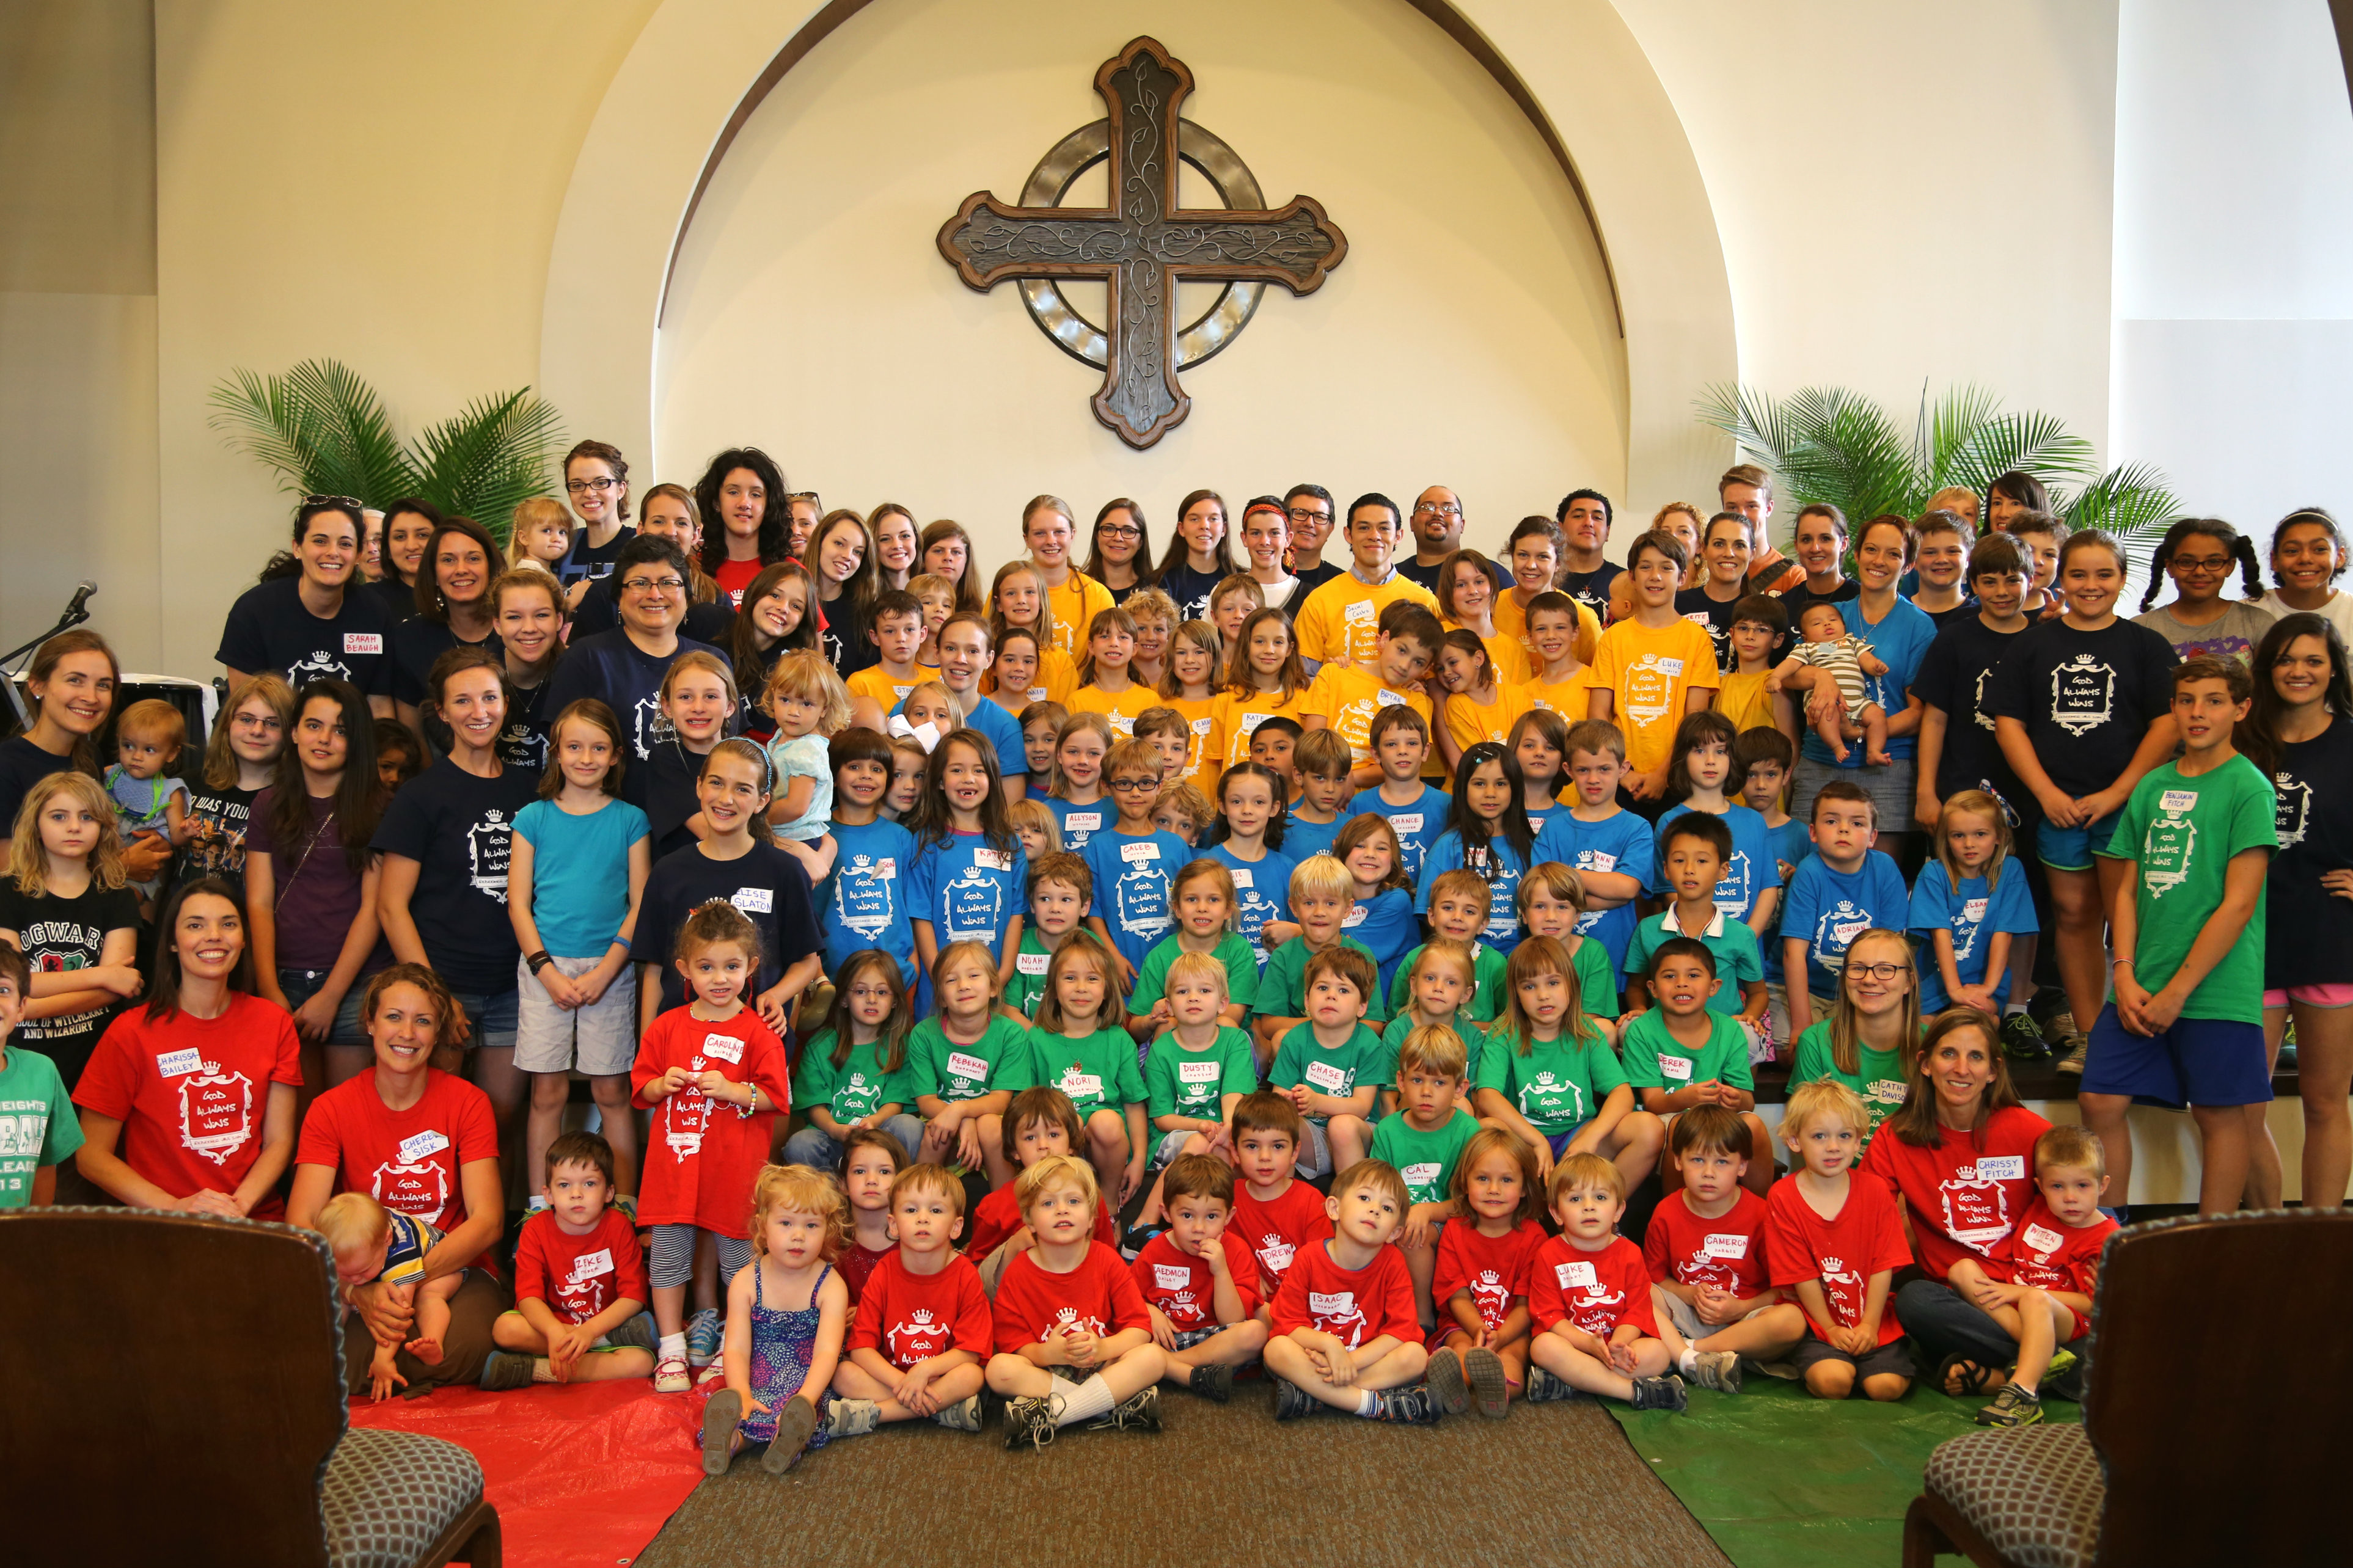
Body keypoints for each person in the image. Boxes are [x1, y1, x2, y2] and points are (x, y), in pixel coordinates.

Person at [2076, 655, 2275, 1216]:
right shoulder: (2152, 786)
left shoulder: (2248, 788)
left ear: (2240, 709)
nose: (2197, 712)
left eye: (2214, 701)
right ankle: (2104, 1240)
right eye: (2186, 700)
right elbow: (2124, 890)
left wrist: (2178, 992)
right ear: (2172, 707)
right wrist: (2123, 969)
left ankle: (2209, 1245)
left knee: (2217, 1112)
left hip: (2213, 987)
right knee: (2099, 1098)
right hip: (2140, 980)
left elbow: (2237, 905)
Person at [1990, 530, 2183, 1069]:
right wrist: (2046, 793)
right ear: (2060, 577)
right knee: (2074, 914)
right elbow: (2009, 724)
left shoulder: (2144, 645)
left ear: (2122, 579)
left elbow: (2166, 725)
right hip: (2058, 806)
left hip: (2126, 805)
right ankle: (2093, 1037)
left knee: (2129, 919)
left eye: (2104, 574)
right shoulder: (2031, 644)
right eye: (2078, 574)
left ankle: (2136, 1031)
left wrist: (2118, 793)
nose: (2090, 585)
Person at [288, 964, 508, 1393]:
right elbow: (302, 1221)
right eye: (394, 1017)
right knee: (316, 1349)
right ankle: (395, 1370)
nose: (407, 1033)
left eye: (422, 1020)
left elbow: (488, 1222)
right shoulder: (330, 1109)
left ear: (438, 1031)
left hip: (449, 1271)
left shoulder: (468, 1102)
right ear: (370, 1022)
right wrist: (358, 1292)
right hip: (358, 1274)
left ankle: (393, 1370)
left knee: (474, 1342)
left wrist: (404, 1277)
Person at [371, 647, 537, 1158]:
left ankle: (489, 1231)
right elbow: (391, 906)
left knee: (500, 1117)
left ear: (505, 704)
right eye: (462, 700)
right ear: (442, 712)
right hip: (442, 979)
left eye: (489, 697)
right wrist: (434, 995)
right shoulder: (421, 795)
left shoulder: (532, 792)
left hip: (512, 983)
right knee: (435, 1117)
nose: (478, 711)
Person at [634, 898, 791, 1395]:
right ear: (684, 969)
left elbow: (776, 1098)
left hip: (734, 1173)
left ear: (751, 967)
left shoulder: (759, 1033)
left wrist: (733, 1090)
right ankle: (671, 1350)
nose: (719, 978)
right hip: (674, 1173)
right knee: (667, 1259)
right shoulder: (666, 1026)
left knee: (739, 1264)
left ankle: (733, 1348)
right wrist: (664, 1083)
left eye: (731, 966)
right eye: (706, 967)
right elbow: (641, 1088)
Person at [70, 877, 301, 1214]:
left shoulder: (274, 1023)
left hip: (252, 1219)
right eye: (196, 925)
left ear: (243, 940)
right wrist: (176, 1208)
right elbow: (90, 1155)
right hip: (163, 1222)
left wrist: (237, 1207)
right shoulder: (131, 1031)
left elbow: (279, 1142)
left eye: (228, 924)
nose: (214, 935)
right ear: (173, 943)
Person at [509, 699, 649, 1197]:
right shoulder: (533, 817)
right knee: (546, 1091)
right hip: (543, 968)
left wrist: (604, 971)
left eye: (597, 748)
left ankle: (626, 1204)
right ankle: (539, 1205)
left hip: (608, 969)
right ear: (556, 753)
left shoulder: (631, 819)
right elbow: (519, 904)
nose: (585, 757)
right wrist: (546, 971)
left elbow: (638, 903)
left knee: (611, 1090)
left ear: (615, 756)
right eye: (574, 746)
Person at [1870, 1012, 2052, 1377]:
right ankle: (2045, 1362)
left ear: (1993, 1072)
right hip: (1957, 1300)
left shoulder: (2030, 1130)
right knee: (1915, 1302)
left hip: (2033, 1289)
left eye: (1976, 1057)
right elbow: (1866, 1221)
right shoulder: (1894, 1137)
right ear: (1925, 1064)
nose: (1961, 1069)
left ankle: (2000, 1371)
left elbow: (2078, 1195)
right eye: (1949, 1054)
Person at [2247, 614, 2353, 1211]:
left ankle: (2320, 1235)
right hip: (2249, 935)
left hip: (2327, 936)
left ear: (2331, 668)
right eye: (2286, 659)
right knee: (2240, 1101)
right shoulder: (2240, 741)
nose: (2298, 671)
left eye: (2312, 660)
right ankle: (2268, 1232)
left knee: (2323, 1099)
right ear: (2267, 668)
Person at [634, 738, 823, 1041]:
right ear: (699, 787)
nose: (726, 798)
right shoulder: (667, 872)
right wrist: (648, 1050)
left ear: (762, 801)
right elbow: (655, 970)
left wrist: (776, 995)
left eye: (743, 789)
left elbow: (807, 960)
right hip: (680, 1048)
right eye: (717, 783)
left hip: (757, 1046)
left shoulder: (784, 871)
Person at [1939, 1124, 2117, 1428]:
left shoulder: (2106, 1238)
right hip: (2019, 1307)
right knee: (1961, 1271)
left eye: (2083, 1186)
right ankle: (2045, 1356)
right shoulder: (2038, 1208)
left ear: (2103, 1185)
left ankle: (2022, 1392)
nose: (2070, 1197)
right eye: (2057, 1187)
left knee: (2037, 1301)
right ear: (2041, 1186)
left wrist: (2019, 1293)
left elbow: (2096, 1306)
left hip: (2067, 1319)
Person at [987, 1152, 1166, 1448]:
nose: (1062, 1210)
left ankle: (1055, 1413)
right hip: (1048, 1372)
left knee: (1153, 1357)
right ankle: (1109, 1407)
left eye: (1073, 1201)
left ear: (1092, 1217)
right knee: (998, 1370)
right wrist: (1049, 1354)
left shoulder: (1107, 1259)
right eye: (1048, 1203)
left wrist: (1104, 1347)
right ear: (1029, 1221)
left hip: (1104, 1366)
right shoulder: (1018, 1272)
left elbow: (1139, 1329)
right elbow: (1014, 1345)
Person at [699, 1164, 854, 1470]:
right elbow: (737, 1348)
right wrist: (742, 1391)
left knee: (804, 1417)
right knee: (744, 1411)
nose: (798, 1236)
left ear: (827, 1230)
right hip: (756, 1374)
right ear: (762, 1226)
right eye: (786, 1223)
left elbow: (826, 1353)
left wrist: (806, 1398)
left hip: (809, 1378)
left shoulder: (831, 1285)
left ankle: (788, 1441)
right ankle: (731, 1443)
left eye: (811, 1226)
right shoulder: (746, 1281)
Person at [1475, 937, 1661, 1189]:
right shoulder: (1503, 1032)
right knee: (1486, 1128)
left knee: (1648, 1128)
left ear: (1571, 986)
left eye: (1553, 983)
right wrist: (1537, 1141)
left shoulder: (1585, 1030)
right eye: (1529, 987)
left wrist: (1591, 1139)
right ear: (1515, 994)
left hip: (1578, 1134)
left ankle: (1603, 1208)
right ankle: (1526, 1215)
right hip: (1522, 1138)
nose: (1543, 996)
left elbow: (1622, 1094)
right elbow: (1487, 1096)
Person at [1767, 1081, 1914, 1401]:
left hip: (1872, 1317)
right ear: (1794, 1140)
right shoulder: (1783, 1196)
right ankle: (1830, 1361)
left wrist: (1870, 1326)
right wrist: (1830, 1329)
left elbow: (1882, 1265)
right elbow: (1801, 1275)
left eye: (1844, 1136)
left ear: (1859, 1140)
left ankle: (1878, 1364)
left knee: (1885, 1389)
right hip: (1817, 1321)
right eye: (1819, 1136)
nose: (1833, 1147)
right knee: (1833, 1383)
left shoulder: (1875, 1191)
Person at [1262, 1157, 1436, 1423]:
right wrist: (1329, 1345)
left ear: (1394, 1232)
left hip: (1364, 1362)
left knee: (1416, 1356)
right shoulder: (1309, 1257)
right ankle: (1371, 1404)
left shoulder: (1393, 1262)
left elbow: (1400, 1331)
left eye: (1387, 1207)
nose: (1375, 1210)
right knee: (1276, 1349)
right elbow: (1286, 1323)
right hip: (1315, 1358)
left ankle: (1314, 1396)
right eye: (1365, 1198)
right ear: (1334, 1208)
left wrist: (1351, 1362)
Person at [480, 1129, 656, 1390]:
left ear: (609, 1193)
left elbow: (633, 1297)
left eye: (589, 1184)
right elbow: (529, 1297)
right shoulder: (536, 1229)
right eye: (564, 1185)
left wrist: (589, 1332)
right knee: (505, 1328)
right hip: (552, 1327)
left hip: (601, 1325)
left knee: (641, 1363)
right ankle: (600, 1343)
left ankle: (530, 1370)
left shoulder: (618, 1226)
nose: (576, 1194)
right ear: (548, 1195)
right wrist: (554, 1332)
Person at [1642, 1105, 1804, 1385]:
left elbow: (1784, 1288)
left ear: (1742, 1166)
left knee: (1792, 1321)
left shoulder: (1760, 1214)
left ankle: (1688, 1354)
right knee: (1639, 1292)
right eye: (1697, 1160)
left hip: (1745, 1320)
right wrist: (1688, 1293)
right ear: (1678, 1161)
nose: (1708, 1173)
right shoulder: (1666, 1212)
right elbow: (1655, 1278)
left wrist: (1742, 1308)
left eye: (1722, 1162)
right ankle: (1698, 1358)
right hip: (1687, 1315)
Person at [0, 772, 142, 1092]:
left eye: (87, 817)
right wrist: (101, 975)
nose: (74, 827)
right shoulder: (7, 892)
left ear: (104, 826)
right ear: (36, 825)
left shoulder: (117, 897)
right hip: (18, 1061)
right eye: (59, 816)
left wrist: (30, 1007)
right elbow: (10, 983)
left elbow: (117, 988)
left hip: (94, 1060)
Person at [829, 1161, 992, 1432]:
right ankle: (942, 1410)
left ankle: (876, 1414)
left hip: (940, 1375)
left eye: (936, 1210)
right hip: (891, 1376)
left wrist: (924, 1371)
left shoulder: (966, 1274)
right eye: (911, 1209)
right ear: (893, 1225)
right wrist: (901, 1382)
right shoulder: (884, 1272)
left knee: (972, 1376)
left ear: (956, 1227)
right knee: (843, 1374)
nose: (923, 1218)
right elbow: (861, 1349)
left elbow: (969, 1353)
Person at [1524, 1153, 1685, 1410]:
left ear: (1619, 1210)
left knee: (1659, 1352)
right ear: (1556, 1214)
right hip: (1574, 1345)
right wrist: (1587, 1343)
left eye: (1600, 1197)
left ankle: (1574, 1381)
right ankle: (1631, 1392)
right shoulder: (1548, 1253)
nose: (1589, 1206)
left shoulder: (1631, 1252)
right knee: (1543, 1347)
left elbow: (1637, 1311)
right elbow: (1550, 1317)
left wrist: (1619, 1344)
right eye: (1576, 1199)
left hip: (1619, 1345)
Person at [0, 633, 161, 886]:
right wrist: (119, 866)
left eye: (103, 685)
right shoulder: (6, 765)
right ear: (37, 685)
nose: (91, 697)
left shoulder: (90, 757)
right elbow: (11, 874)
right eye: (75, 680)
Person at [216, 497, 395, 715]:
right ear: (297, 548)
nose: (333, 552)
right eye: (320, 541)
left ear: (358, 555)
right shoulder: (254, 610)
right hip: (269, 740)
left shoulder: (374, 613)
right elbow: (245, 714)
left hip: (349, 743)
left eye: (345, 544)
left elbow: (379, 708)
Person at [1618, 939, 1767, 1194]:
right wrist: (1686, 1098)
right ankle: (1676, 1216)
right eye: (1670, 976)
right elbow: (1653, 1103)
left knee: (1752, 1124)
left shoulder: (1730, 1031)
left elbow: (1748, 1102)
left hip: (1716, 1120)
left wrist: (1734, 1099)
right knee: (1682, 1125)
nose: (1682, 983)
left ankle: (1762, 1215)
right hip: (1665, 1122)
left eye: (1693, 975)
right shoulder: (1641, 1031)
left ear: (1713, 987)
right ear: (1653, 989)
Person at [1587, 531, 1719, 806]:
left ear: (1682, 577)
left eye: (1666, 568)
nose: (1655, 576)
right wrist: (1623, 772)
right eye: (1645, 567)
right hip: (1619, 777)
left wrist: (1664, 774)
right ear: (1632, 577)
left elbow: (1695, 719)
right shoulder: (1614, 637)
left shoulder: (1696, 639)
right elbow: (1598, 713)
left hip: (1679, 778)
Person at [1129, 1152, 1269, 1402]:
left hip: (1216, 1341)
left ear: (1229, 1216)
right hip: (1167, 1337)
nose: (1199, 1228)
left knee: (1257, 1332)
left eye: (1212, 1217)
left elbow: (1234, 1320)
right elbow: (1126, 1296)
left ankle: (1165, 1367)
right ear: (1167, 1214)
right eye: (1187, 1216)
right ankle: (1180, 1370)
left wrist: (1221, 1270)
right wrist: (1150, 1311)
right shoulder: (1154, 1250)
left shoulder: (1236, 1251)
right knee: (1127, 1335)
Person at [1422, 1127, 1542, 1416]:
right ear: (1465, 1183)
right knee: (1461, 1349)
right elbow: (1458, 1297)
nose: (1494, 1189)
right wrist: (1479, 1329)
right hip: (1464, 1325)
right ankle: (1454, 1387)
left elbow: (1527, 1306)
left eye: (1507, 1180)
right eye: (1483, 1179)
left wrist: (1499, 1337)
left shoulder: (1535, 1237)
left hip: (1512, 1328)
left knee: (1511, 1358)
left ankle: (1498, 1392)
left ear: (1525, 1187)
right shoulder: (1455, 1230)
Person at [1025, 932, 1148, 1208]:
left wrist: (1140, 1158)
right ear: (1054, 988)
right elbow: (1026, 1107)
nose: (1081, 987)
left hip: (1107, 1147)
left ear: (1106, 988)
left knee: (1106, 1122)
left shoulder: (1118, 1039)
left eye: (1092, 979)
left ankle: (1109, 1207)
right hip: (1054, 1146)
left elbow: (1134, 1104)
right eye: (1070, 978)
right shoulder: (1037, 1039)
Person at [1366, 1024, 1480, 1320]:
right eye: (1418, 1080)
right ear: (1401, 1082)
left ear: (1460, 1089)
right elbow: (1380, 1191)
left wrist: (1427, 1212)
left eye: (1440, 1083)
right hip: (1398, 1217)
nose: (1427, 1092)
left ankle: (1423, 1320)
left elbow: (1471, 1201)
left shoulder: (1468, 1131)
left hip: (1453, 1220)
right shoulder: (1389, 1130)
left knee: (1413, 1235)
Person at [1780, 783, 1911, 1038]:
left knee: (1866, 1044)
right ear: (1813, 832)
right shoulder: (1809, 872)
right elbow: (1792, 953)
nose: (1843, 829)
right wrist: (1801, 1026)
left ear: (1873, 837)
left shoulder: (1884, 869)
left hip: (1864, 990)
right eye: (1831, 821)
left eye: (1857, 823)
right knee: (1796, 1049)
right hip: (1809, 990)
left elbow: (1892, 951)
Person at [315, 1189, 468, 1399]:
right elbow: (337, 1293)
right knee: (339, 1298)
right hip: (386, 1262)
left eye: (363, 1271)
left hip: (441, 1269)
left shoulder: (401, 1254)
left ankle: (435, 1344)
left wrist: (383, 1360)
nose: (357, 1281)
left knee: (429, 1297)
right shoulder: (352, 1246)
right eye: (345, 1273)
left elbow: (398, 1314)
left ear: (387, 1240)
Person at [1531, 720, 1655, 982]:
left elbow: (1627, 889)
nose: (1594, 779)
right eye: (1584, 769)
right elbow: (1543, 896)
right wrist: (1614, 897)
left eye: (1605, 769)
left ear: (1623, 769)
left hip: (1617, 964)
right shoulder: (1553, 829)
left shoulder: (1638, 828)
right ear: (1569, 770)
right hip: (1556, 968)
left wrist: (1564, 876)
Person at [788, 949, 923, 1169]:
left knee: (910, 1126)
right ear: (843, 999)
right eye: (861, 992)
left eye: (882, 993)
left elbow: (895, 1103)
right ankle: (826, 1200)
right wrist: (835, 1129)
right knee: (801, 1144)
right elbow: (815, 1107)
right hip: (832, 1136)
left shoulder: (902, 1045)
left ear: (896, 1001)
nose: (871, 1000)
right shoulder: (820, 1045)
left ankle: (897, 1195)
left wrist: (875, 1122)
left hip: (881, 1139)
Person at [1910, 790, 2037, 1019]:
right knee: (1926, 1033)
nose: (1969, 844)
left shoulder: (2010, 871)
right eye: (1958, 836)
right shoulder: (1934, 874)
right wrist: (1955, 991)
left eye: (1980, 834)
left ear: (1999, 836)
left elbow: (2004, 935)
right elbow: (1941, 935)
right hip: (1937, 983)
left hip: (1986, 983)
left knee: (1975, 1024)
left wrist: (1987, 989)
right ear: (1946, 839)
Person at [1787, 928, 1920, 1141]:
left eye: (1885, 970)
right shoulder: (1816, 1043)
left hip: (1908, 1169)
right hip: (1842, 1172)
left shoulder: (1934, 1044)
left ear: (1909, 982)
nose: (1869, 979)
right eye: (1858, 968)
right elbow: (1810, 1138)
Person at [1292, 493, 1443, 673]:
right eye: (1364, 528)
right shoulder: (1319, 600)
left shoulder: (1426, 602)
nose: (1374, 536)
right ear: (1348, 535)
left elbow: (1438, 672)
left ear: (1399, 536)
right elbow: (1303, 677)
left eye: (1384, 528)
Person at [1418, 742, 1537, 958]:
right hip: (1460, 962)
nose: (1490, 793)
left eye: (1501, 784)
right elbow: (1428, 916)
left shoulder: (1531, 846)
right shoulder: (1448, 846)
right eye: (1479, 783)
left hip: (1521, 963)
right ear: (1463, 788)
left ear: (1516, 789)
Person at [389, 514, 502, 738]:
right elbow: (413, 735)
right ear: (434, 574)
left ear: (491, 566)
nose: (461, 569)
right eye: (448, 560)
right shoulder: (409, 639)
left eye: (473, 559)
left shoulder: (517, 630)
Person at [0, 945, 79, 1206]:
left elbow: (44, 1167)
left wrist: (36, 1238)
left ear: (21, 1007)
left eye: (3, 990)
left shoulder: (41, 1071)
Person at [1774, 600, 1892, 766]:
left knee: (1878, 716)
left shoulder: (1851, 641)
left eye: (1833, 620)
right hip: (1825, 701)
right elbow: (1791, 665)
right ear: (1805, 637)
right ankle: (1837, 746)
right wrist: (1775, 677)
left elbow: (1865, 659)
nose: (1827, 624)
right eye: (1817, 623)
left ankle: (1874, 751)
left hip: (1857, 701)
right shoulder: (1808, 648)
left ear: (1844, 626)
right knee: (1826, 716)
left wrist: (1875, 666)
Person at [102, 699, 190, 914]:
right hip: (103, 857)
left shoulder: (171, 791)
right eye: (128, 746)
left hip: (141, 870)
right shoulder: (109, 774)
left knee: (123, 907)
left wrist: (187, 831)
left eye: (149, 750)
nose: (137, 756)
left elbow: (176, 837)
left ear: (171, 754)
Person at [692, 447, 791, 609]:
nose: (744, 503)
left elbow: (813, 634)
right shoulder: (694, 571)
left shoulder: (790, 572)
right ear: (716, 502)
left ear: (769, 505)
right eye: (733, 492)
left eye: (756, 495)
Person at [2249, 507, 2353, 646]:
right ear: (2275, 560)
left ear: (2339, 557)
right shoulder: (2248, 613)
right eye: (2292, 551)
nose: (2305, 559)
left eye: (2320, 549)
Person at [553, 439, 637, 601]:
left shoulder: (642, 547)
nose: (589, 493)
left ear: (621, 489)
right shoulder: (561, 548)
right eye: (577, 485)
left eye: (600, 483)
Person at [1677, 512, 1755, 671]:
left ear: (1752, 553)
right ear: (1704, 549)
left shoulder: (1763, 612)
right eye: (1719, 544)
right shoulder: (1676, 605)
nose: (1729, 553)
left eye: (1739, 545)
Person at [1716, 465, 1804, 597]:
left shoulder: (1794, 578)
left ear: (1769, 508)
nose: (1742, 515)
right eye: (1732, 507)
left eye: (1752, 506)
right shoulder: (1710, 571)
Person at [369, 498, 443, 624]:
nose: (411, 546)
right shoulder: (370, 599)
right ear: (388, 549)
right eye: (400, 537)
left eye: (422, 535)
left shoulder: (462, 592)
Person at [1553, 490, 1622, 624]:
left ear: (1608, 531)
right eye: (1578, 516)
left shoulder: (1627, 581)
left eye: (1597, 518)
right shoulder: (1547, 579)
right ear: (1560, 529)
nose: (1588, 523)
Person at [1906, 511, 1974, 627]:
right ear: (1915, 561)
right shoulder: (1894, 614)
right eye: (1930, 552)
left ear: (1968, 559)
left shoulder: (1981, 618)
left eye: (1952, 551)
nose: (1942, 560)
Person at [1399, 485, 1470, 592]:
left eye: (1448, 509)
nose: (1438, 513)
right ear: (1412, 523)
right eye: (1427, 508)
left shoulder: (1486, 574)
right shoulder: (1393, 577)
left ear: (1462, 525)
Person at [1281, 483, 1345, 602]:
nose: (1309, 523)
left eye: (1320, 517)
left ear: (1331, 529)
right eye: (1300, 513)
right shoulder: (1265, 575)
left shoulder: (1342, 584)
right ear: (1284, 520)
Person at [1237, 497, 1299, 610]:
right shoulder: (1224, 592)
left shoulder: (1309, 597)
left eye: (1274, 533)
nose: (1265, 542)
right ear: (1244, 538)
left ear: (1288, 539)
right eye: (1256, 533)